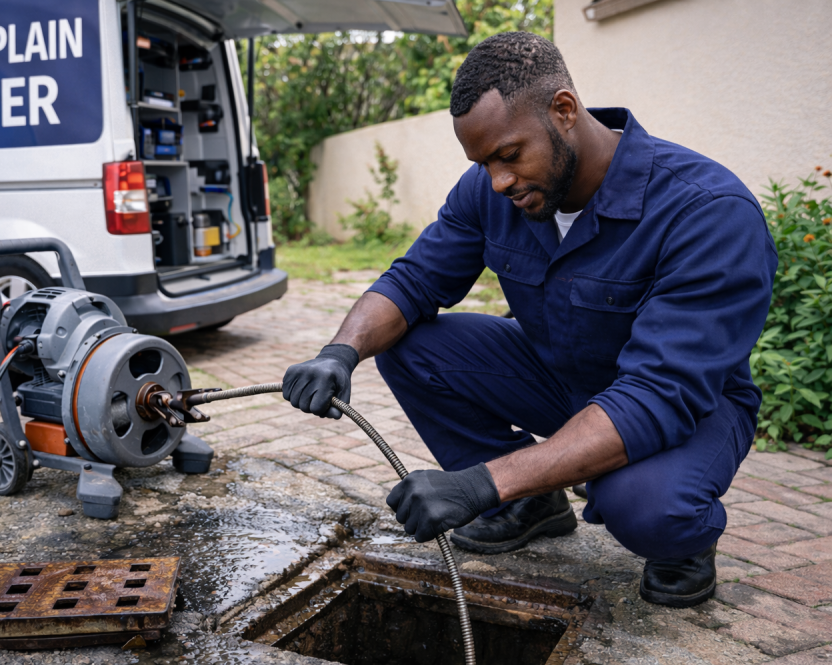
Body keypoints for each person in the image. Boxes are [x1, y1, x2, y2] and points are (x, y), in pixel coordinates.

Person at [282, 32, 777, 608]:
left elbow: (657, 396)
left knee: (643, 506)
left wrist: (480, 481)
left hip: (686, 404)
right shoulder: (494, 191)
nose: (497, 181)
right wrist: (339, 352)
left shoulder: (707, 212)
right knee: (409, 344)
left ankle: (681, 542)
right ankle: (528, 505)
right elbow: (414, 280)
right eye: (483, 162)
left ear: (564, 111)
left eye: (509, 155)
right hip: (563, 376)